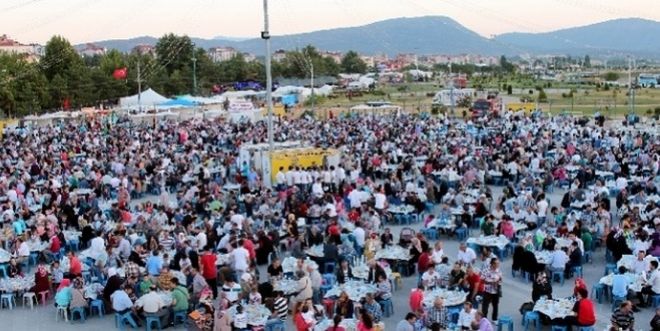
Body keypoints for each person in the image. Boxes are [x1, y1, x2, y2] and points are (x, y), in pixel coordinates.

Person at [480, 257, 502, 321]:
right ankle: (484, 319)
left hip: (496, 291)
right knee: (485, 307)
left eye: (498, 263)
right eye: (497, 264)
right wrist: (491, 282)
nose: (498, 265)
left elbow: (500, 279)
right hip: (487, 291)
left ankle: (494, 319)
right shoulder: (486, 270)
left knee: (495, 306)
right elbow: (481, 280)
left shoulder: (499, 270)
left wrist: (498, 282)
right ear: (492, 264)